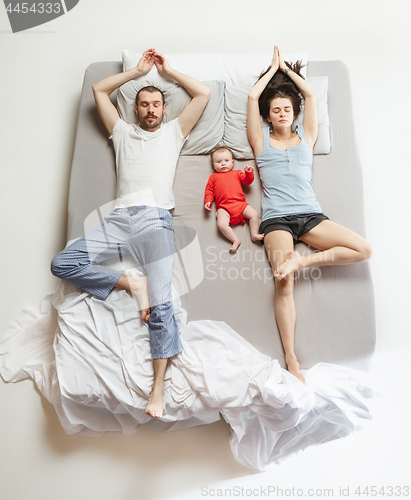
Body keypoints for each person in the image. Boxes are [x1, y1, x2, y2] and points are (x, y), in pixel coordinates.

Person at [51, 48, 211, 417]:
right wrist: (137, 72)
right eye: (145, 104)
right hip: (120, 220)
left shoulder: (174, 132)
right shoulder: (121, 132)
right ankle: (129, 283)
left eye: (157, 104)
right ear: (135, 109)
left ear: (165, 110)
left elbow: (202, 94)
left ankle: (157, 390)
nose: (152, 109)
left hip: (156, 221)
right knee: (63, 262)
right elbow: (98, 91)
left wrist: (168, 72)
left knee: (161, 304)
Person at [247, 46, 372, 384]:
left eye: (287, 108)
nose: (283, 113)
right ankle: (291, 360)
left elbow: (312, 93)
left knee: (364, 249)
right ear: (268, 116)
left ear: (294, 113)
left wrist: (287, 73)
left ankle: (301, 262)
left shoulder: (308, 136)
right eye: (276, 110)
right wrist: (271, 71)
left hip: (311, 215)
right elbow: (252, 97)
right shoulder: (260, 142)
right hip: (277, 220)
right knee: (282, 281)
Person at [204, 147, 264, 252]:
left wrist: (249, 173)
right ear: (213, 165)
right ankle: (235, 239)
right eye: (219, 162)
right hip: (224, 207)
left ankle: (254, 234)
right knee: (221, 224)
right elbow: (209, 190)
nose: (223, 164)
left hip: (240, 204)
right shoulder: (213, 177)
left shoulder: (237, 173)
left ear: (232, 162)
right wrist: (208, 201)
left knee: (254, 214)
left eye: (226, 161)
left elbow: (247, 181)